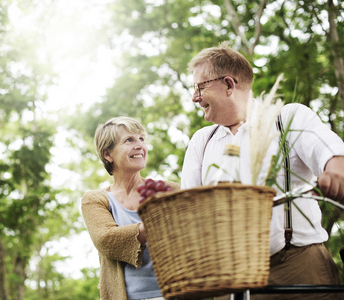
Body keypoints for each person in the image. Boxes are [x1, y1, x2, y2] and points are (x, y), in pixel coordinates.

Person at [181, 42, 344, 299]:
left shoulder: (287, 118)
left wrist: (336, 169)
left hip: (298, 269)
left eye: (200, 86)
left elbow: (330, 152)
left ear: (228, 84)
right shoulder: (202, 141)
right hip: (227, 280)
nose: (194, 97)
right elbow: (187, 208)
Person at [81, 116, 180, 300]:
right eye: (129, 140)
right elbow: (107, 239)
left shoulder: (168, 190)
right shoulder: (95, 200)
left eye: (141, 139)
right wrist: (160, 220)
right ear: (107, 154)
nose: (139, 145)